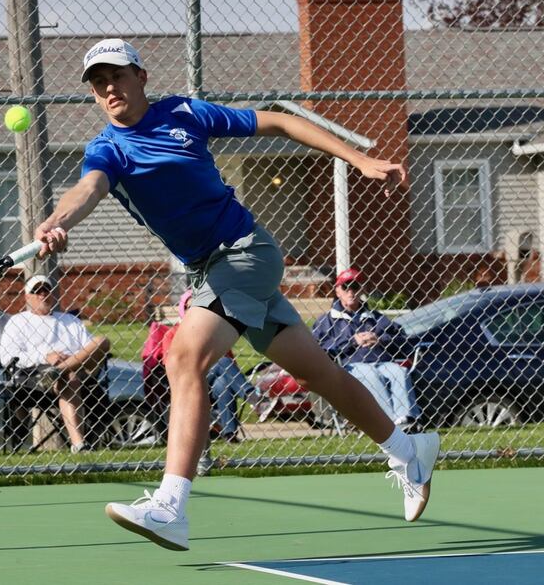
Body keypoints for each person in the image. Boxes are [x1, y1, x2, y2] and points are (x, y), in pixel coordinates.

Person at [33, 38, 440, 551]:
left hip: (246, 251)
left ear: (141, 76)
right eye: (98, 82)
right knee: (319, 374)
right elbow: (87, 187)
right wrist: (58, 219)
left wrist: (357, 159)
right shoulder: (108, 149)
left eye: (116, 75)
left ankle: (170, 505)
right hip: (212, 268)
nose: (108, 88)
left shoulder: (185, 114)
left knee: (184, 357)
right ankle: (409, 449)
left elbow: (279, 122)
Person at [0, 274, 111, 453]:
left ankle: (60, 370)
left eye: (46, 290)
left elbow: (90, 348)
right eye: (37, 291)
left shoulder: (70, 320)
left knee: (102, 341)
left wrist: (68, 360)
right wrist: (45, 356)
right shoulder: (18, 322)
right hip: (37, 377)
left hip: (82, 370)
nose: (43, 294)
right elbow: (7, 357)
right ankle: (79, 444)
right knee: (70, 377)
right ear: (27, 297)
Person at [312, 268, 421, 429]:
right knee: (371, 375)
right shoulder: (327, 321)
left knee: (399, 371)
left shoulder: (375, 317)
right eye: (345, 287)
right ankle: (388, 424)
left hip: (382, 362)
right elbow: (320, 349)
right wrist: (351, 341)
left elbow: (402, 339)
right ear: (337, 291)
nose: (351, 292)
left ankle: (407, 419)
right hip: (350, 366)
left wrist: (379, 339)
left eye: (355, 287)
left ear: (361, 289)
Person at [161, 290, 258, 442]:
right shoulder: (173, 333)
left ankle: (229, 434)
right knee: (224, 362)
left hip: (211, 382)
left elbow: (232, 363)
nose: (194, 312)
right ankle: (253, 396)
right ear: (183, 309)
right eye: (189, 308)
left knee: (223, 383)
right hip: (188, 380)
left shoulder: (215, 331)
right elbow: (171, 365)